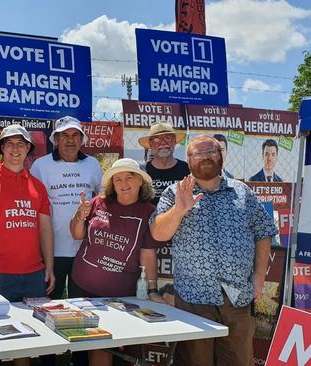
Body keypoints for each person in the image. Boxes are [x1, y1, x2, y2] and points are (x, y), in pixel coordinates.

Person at [150, 134, 277, 366]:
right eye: (199, 153)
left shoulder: (242, 192)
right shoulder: (175, 192)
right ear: (189, 160)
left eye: (211, 152)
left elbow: (264, 232)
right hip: (194, 301)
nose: (206, 157)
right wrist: (179, 210)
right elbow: (159, 233)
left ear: (221, 156)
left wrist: (259, 277)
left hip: (238, 299)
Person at [69, 158, 163, 366]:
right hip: (82, 289)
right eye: (118, 179)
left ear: (141, 182)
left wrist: (153, 290)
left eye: (129, 177)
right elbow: (77, 234)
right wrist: (79, 216)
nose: (123, 183)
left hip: (118, 297)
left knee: (106, 346)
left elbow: (148, 253)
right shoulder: (97, 203)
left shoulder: (149, 212)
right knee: (81, 347)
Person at [0, 124, 55, 301]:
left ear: (28, 148)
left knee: (37, 327)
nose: (15, 149)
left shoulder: (38, 186)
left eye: (21, 144)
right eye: (10, 143)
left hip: (34, 274)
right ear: (2, 147)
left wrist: (49, 267)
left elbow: (45, 229)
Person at [30, 116, 102, 299]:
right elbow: (33, 205)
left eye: (75, 135)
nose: (70, 140)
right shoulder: (40, 166)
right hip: (51, 249)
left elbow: (101, 200)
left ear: (82, 139)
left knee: (83, 304)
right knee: (49, 303)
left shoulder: (92, 164)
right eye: (64, 135)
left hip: (84, 249)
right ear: (56, 139)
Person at [138, 121, 189, 205]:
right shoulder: (141, 172)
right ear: (150, 144)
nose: (163, 142)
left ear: (174, 141)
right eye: (157, 139)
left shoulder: (187, 170)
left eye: (168, 137)